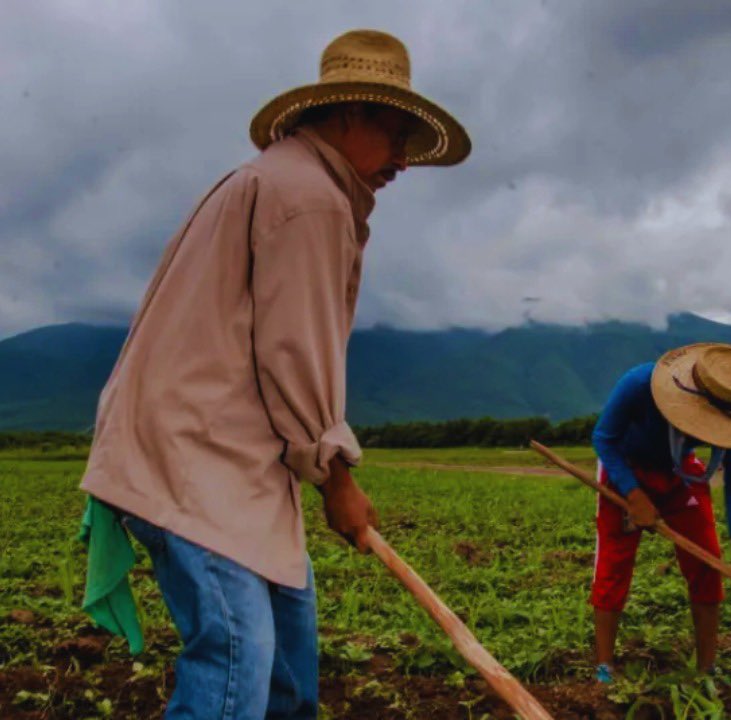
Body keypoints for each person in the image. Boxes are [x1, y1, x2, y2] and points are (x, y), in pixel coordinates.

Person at [77, 29, 470, 718]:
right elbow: (295, 352)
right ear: (350, 114)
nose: (403, 160)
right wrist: (336, 477)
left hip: (232, 465)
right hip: (198, 462)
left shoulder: (278, 179)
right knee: (235, 672)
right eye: (396, 133)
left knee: (289, 670)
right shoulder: (309, 198)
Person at [590, 342, 731, 683]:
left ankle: (706, 667)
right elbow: (604, 439)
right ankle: (605, 665)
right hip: (625, 470)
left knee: (708, 562)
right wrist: (634, 495)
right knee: (613, 563)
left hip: (681, 472)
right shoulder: (639, 385)